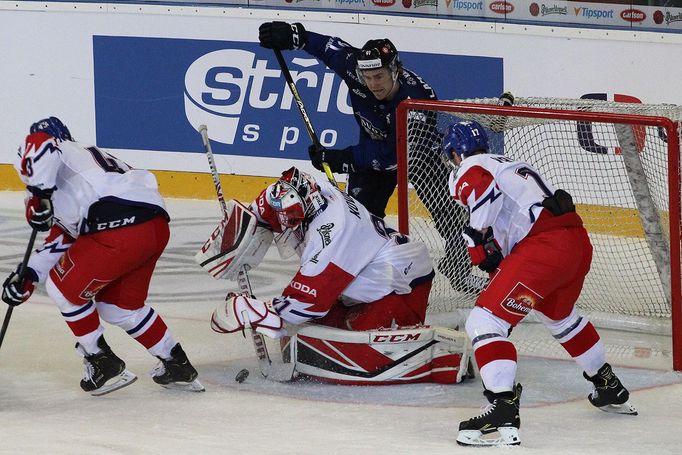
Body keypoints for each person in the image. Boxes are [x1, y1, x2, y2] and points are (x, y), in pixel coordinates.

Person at [440, 120, 637, 446]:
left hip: (543, 250)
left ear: (454, 154)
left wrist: (475, 242)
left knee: (485, 321)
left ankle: (501, 407)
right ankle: (607, 384)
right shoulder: (511, 164)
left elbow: (481, 190)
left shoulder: (472, 166)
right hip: (574, 244)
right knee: (560, 316)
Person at [258, 22, 478, 293]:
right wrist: (295, 36)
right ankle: (351, 276)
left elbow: (392, 155)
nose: (373, 84)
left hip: (419, 155)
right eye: (368, 77)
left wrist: (342, 159)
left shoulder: (417, 100)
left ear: (395, 71)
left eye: (380, 77)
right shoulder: (357, 69)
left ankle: (459, 271)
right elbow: (327, 47)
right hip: (373, 149)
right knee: (357, 219)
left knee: (451, 215)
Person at [208, 167, 471, 384]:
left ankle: (443, 348)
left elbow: (306, 302)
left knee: (355, 345)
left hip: (402, 282)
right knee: (315, 330)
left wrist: (254, 311)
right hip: (363, 272)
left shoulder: (333, 232)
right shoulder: (304, 188)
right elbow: (264, 207)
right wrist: (237, 233)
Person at [1, 117, 203, 395]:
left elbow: (39, 144)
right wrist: (29, 274)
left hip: (118, 225)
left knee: (62, 288)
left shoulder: (57, 151)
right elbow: (63, 237)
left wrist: (40, 195)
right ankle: (177, 364)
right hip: (153, 227)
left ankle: (100, 360)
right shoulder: (84, 176)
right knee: (119, 308)